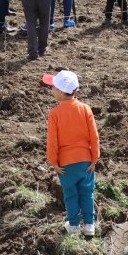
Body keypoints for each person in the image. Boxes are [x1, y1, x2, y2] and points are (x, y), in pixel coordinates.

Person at [43, 69, 100, 236]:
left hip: (65, 164)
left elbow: (52, 141)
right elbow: (94, 135)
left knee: (70, 194)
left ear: (61, 92)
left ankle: (74, 226)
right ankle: (89, 225)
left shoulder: (55, 114)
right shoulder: (85, 109)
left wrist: (53, 161)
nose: (51, 89)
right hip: (85, 161)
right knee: (87, 192)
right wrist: (94, 157)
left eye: (53, 87)